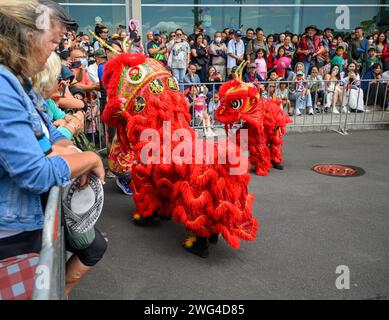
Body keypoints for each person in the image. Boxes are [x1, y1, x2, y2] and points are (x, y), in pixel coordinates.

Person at [0, 0, 106, 299]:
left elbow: (49, 135)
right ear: (27, 36)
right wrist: (87, 157)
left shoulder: (18, 83)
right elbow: (34, 173)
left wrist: (68, 150)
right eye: (53, 42)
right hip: (10, 237)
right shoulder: (3, 85)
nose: (53, 52)